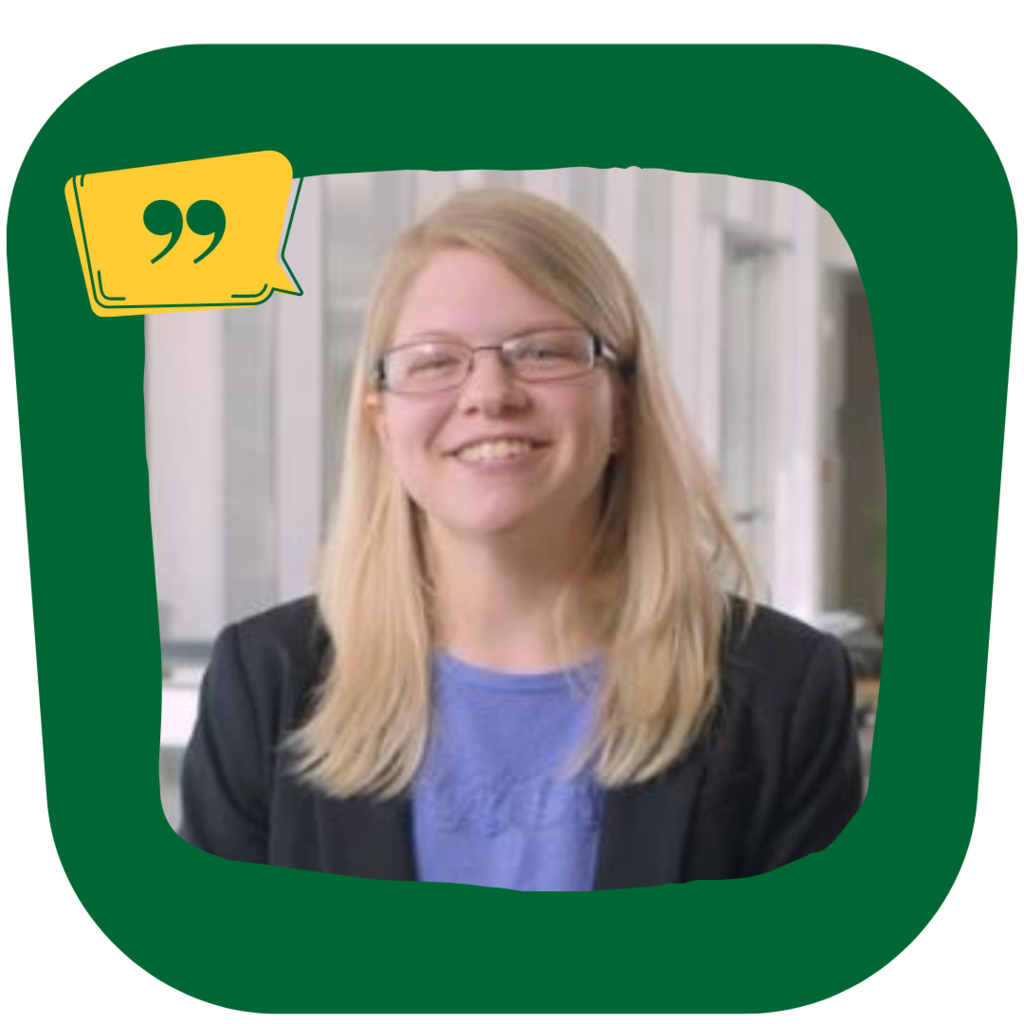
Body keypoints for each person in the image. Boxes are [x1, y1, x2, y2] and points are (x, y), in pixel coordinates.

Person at [179, 188, 862, 891]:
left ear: (622, 408)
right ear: (383, 424)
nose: (489, 394)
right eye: (435, 361)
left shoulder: (784, 689)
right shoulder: (265, 683)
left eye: (541, 351)